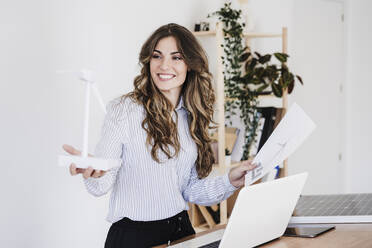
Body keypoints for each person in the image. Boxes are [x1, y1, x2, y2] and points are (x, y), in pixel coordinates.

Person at [63, 23, 256, 248]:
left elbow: (190, 189)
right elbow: (101, 185)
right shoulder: (124, 110)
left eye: (176, 57)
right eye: (157, 56)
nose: (165, 65)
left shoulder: (191, 115)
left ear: (190, 65)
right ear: (148, 61)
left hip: (182, 233)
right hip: (134, 238)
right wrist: (93, 171)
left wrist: (230, 181)